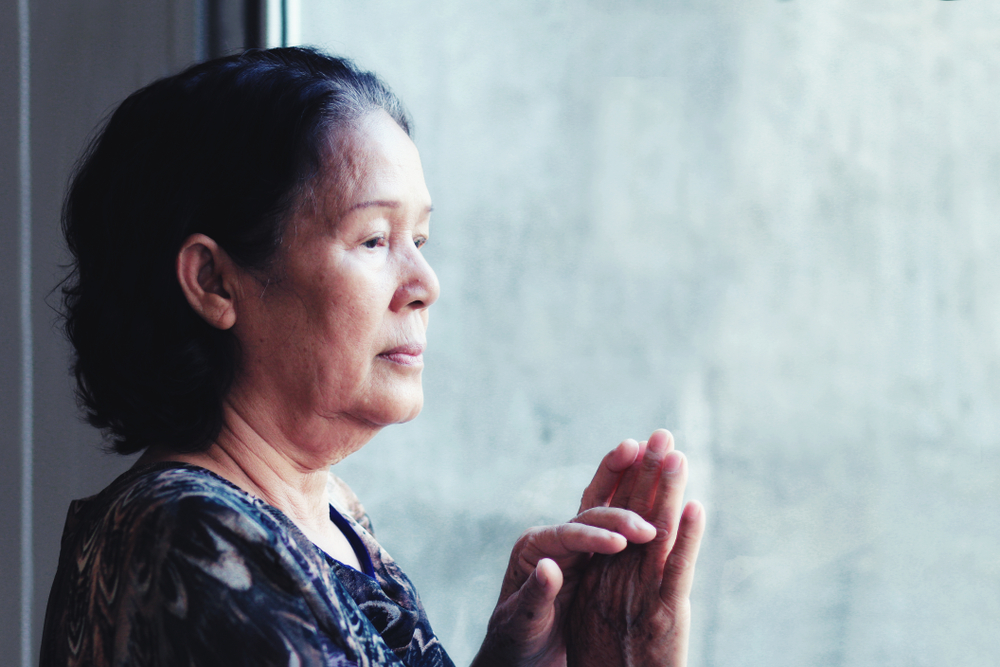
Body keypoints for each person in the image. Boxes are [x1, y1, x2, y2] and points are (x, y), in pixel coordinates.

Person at [40, 47, 705, 667]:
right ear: (215, 281)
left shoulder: (327, 514)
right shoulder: (196, 539)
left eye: (420, 237)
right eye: (373, 239)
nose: (425, 283)